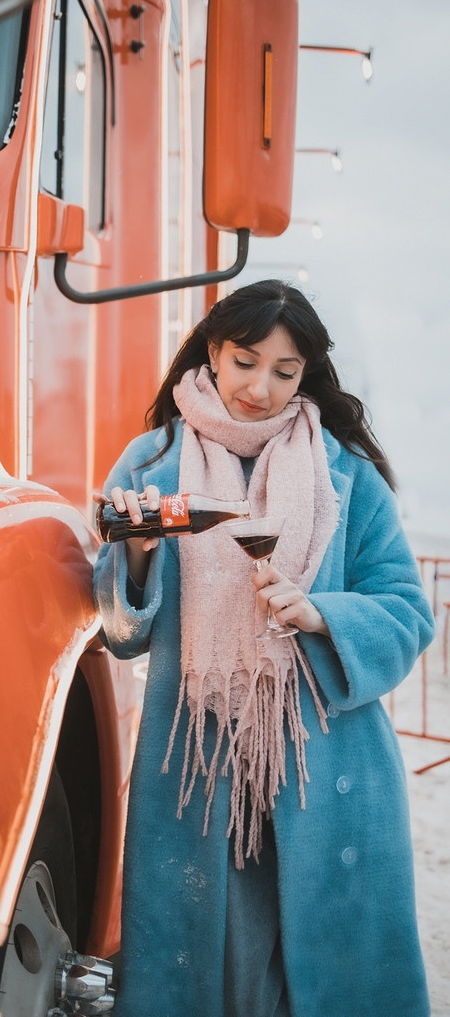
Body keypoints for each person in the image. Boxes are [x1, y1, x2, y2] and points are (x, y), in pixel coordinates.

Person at [93, 280, 434, 1017]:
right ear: (213, 350)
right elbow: (123, 633)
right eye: (246, 361)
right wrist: (143, 553)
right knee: (209, 975)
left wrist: (321, 616)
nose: (261, 387)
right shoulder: (151, 466)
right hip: (198, 768)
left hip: (332, 768)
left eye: (286, 372)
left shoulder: (346, 474)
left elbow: (409, 611)